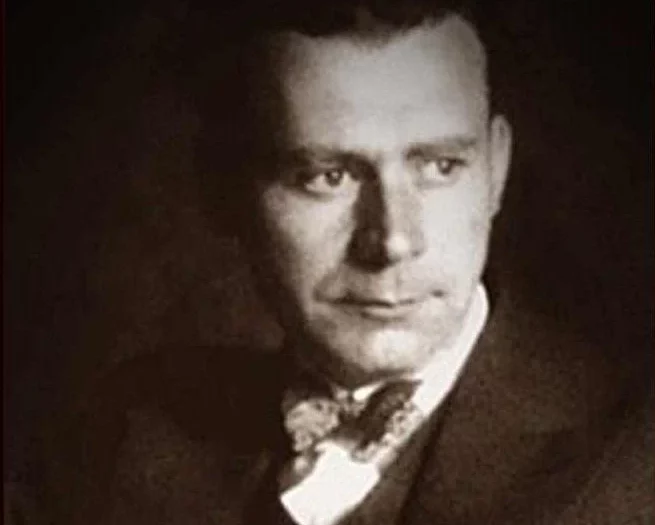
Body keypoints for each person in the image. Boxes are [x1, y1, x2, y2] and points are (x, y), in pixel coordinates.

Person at [7, 1, 652, 524]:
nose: (392, 240)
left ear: (497, 170)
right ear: (223, 192)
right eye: (327, 176)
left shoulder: (638, 464)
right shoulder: (124, 436)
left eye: (439, 166)